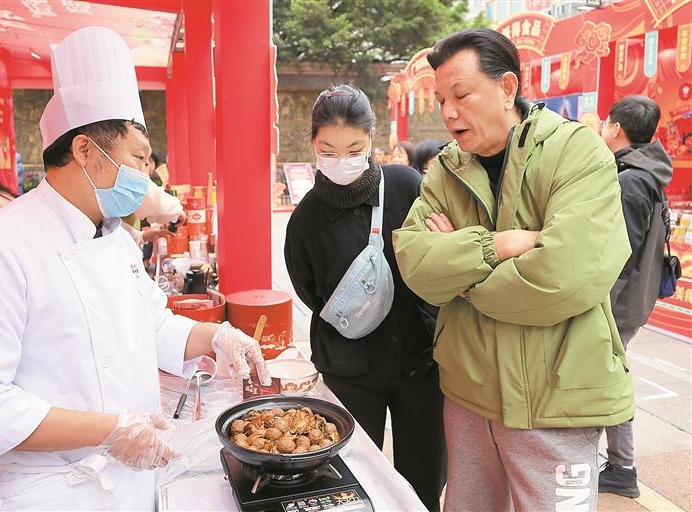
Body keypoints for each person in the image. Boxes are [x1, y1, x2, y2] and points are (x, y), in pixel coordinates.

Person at [0, 26, 269, 511]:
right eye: (138, 159)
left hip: (135, 478)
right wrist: (110, 432)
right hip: (51, 492)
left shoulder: (115, 238)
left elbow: (152, 324)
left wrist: (215, 338)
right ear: (85, 151)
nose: (147, 177)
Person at [393, 29, 634, 511]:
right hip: (468, 392)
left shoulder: (578, 153)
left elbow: (562, 276)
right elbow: (415, 265)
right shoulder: (446, 169)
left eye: (460, 94)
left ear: (506, 88)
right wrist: (496, 247)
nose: (448, 112)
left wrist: (460, 279)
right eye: (441, 99)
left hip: (556, 398)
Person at [284, 84, 447, 511]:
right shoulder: (304, 222)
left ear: (373, 139)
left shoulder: (406, 185)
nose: (342, 160)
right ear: (313, 143)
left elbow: (435, 258)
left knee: (424, 480)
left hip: (420, 364)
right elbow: (311, 292)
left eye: (354, 148)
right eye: (329, 149)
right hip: (349, 371)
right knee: (352, 483)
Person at [599, 95, 672, 498]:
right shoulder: (648, 171)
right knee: (610, 377)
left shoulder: (631, 179)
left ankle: (622, 468)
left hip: (619, 302)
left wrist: (597, 302)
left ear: (615, 128)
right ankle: (619, 465)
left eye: (606, 123)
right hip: (635, 298)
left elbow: (618, 252)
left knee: (607, 380)